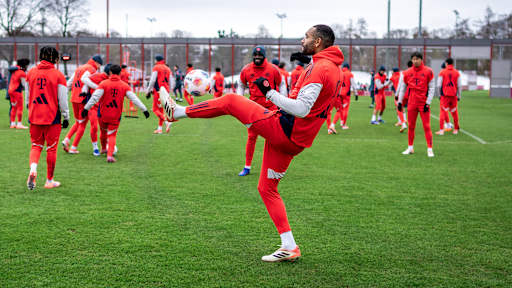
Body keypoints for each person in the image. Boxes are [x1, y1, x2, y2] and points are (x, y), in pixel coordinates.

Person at [159, 24, 343, 262]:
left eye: (306, 37)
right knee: (267, 189)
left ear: (318, 42)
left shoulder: (323, 67)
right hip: (295, 139)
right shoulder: (330, 66)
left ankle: (177, 112)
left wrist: (270, 94)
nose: (302, 40)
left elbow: (301, 108)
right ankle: (290, 246)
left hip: (285, 130)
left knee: (232, 101)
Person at [83, 64, 150, 162]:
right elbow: (134, 98)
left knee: (103, 132)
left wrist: (86, 108)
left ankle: (103, 149)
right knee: (112, 135)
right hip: (115, 115)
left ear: (110, 72)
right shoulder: (124, 85)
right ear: (120, 73)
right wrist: (144, 110)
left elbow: (95, 97)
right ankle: (110, 155)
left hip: (102, 114)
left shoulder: (103, 83)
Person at [236, 45, 286, 176]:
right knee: (251, 137)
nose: (257, 57)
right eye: (255, 55)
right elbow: (240, 84)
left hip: (271, 107)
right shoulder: (247, 69)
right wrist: (240, 100)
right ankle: (247, 167)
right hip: (253, 108)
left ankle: (274, 167)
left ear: (264, 56)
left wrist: (283, 101)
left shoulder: (273, 69)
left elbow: (281, 83)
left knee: (273, 137)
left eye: (260, 55)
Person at [25, 46, 70, 190]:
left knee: (36, 146)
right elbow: (62, 100)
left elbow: (27, 96)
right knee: (51, 149)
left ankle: (33, 169)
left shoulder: (30, 73)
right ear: (56, 59)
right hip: (52, 117)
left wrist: (29, 109)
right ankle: (49, 180)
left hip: (34, 115)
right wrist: (66, 116)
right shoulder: (58, 75)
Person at [62, 54, 103, 154]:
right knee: (82, 124)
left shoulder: (79, 68)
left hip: (74, 98)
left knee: (78, 122)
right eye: (99, 65)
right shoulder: (92, 69)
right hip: (83, 99)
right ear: (97, 63)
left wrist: (66, 94)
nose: (99, 67)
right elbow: (86, 82)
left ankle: (66, 139)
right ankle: (73, 148)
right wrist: (97, 88)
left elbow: (69, 83)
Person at [398, 52, 435, 157]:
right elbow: (403, 88)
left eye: (417, 59)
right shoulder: (407, 72)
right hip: (411, 102)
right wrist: (400, 101)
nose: (415, 61)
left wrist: (428, 103)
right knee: (411, 126)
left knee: (426, 126)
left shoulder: (428, 71)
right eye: (413, 59)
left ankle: (430, 149)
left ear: (421, 59)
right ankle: (410, 148)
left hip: (423, 103)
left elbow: (432, 88)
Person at [80, 63, 112, 156]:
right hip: (93, 106)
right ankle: (95, 147)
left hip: (105, 107)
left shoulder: (112, 80)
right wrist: (85, 91)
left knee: (106, 129)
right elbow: (85, 80)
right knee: (94, 126)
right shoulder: (97, 76)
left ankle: (106, 146)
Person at [145, 55, 172, 134]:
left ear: (156, 60)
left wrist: (148, 90)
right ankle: (159, 129)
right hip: (166, 90)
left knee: (154, 109)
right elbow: (170, 80)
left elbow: (153, 80)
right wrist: (170, 91)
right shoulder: (168, 68)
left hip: (158, 90)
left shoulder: (156, 67)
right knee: (160, 110)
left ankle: (167, 121)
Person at [436, 58, 461, 135]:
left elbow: (438, 85)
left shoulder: (442, 72)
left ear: (446, 63)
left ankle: (441, 130)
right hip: (454, 95)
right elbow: (459, 86)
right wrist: (459, 96)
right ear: (452, 63)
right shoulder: (457, 73)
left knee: (443, 112)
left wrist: (439, 95)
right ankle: (456, 129)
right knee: (454, 112)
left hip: (445, 96)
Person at [8, 58, 30, 129]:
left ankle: (13, 123)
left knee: (13, 107)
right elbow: (24, 84)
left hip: (11, 90)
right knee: (20, 107)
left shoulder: (14, 71)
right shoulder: (22, 73)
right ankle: (19, 124)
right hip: (17, 91)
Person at [337, 63, 355, 130]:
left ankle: (341, 122)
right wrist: (356, 93)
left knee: (340, 109)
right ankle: (343, 124)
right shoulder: (350, 74)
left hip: (339, 93)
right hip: (346, 94)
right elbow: (353, 84)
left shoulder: (340, 72)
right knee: (345, 109)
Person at [390, 67, 407, 132]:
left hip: (398, 93)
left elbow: (388, 83)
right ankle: (404, 120)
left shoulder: (393, 76)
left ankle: (401, 122)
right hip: (404, 93)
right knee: (402, 107)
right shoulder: (401, 74)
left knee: (398, 107)